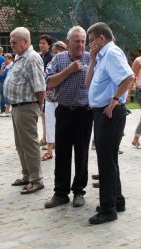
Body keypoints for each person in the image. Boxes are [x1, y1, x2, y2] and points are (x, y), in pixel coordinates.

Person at [85, 22, 134, 224]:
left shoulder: (112, 53)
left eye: (91, 41)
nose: (89, 45)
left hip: (109, 113)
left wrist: (114, 101)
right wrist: (93, 58)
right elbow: (88, 83)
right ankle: (117, 200)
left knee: (106, 162)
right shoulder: (102, 56)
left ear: (101, 38)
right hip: (103, 112)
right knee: (109, 160)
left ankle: (108, 209)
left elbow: (129, 77)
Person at [43, 26, 92, 209]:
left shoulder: (91, 58)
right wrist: (69, 71)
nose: (80, 44)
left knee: (82, 153)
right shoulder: (59, 58)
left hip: (84, 112)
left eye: (82, 41)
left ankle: (79, 191)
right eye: (76, 41)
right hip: (63, 111)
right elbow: (49, 82)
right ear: (69, 41)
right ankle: (60, 193)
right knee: (62, 153)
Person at [4, 27, 46, 194]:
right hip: (18, 107)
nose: (11, 44)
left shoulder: (32, 58)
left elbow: (40, 86)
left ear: (25, 41)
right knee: (20, 145)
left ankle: (36, 180)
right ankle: (27, 175)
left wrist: (39, 106)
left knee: (29, 145)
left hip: (27, 106)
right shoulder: (20, 57)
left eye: (14, 42)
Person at [41, 41, 67, 161]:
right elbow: (46, 77)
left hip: (63, 99)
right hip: (50, 97)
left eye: (59, 52)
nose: (57, 54)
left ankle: (62, 150)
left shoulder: (68, 63)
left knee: (62, 125)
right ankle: (50, 150)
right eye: (55, 52)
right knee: (50, 123)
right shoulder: (51, 63)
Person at [38, 34, 54, 147]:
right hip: (40, 87)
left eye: (44, 43)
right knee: (43, 115)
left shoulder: (51, 57)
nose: (41, 45)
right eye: (40, 43)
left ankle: (49, 140)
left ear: (49, 45)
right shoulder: (40, 57)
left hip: (48, 89)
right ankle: (44, 137)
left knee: (48, 116)